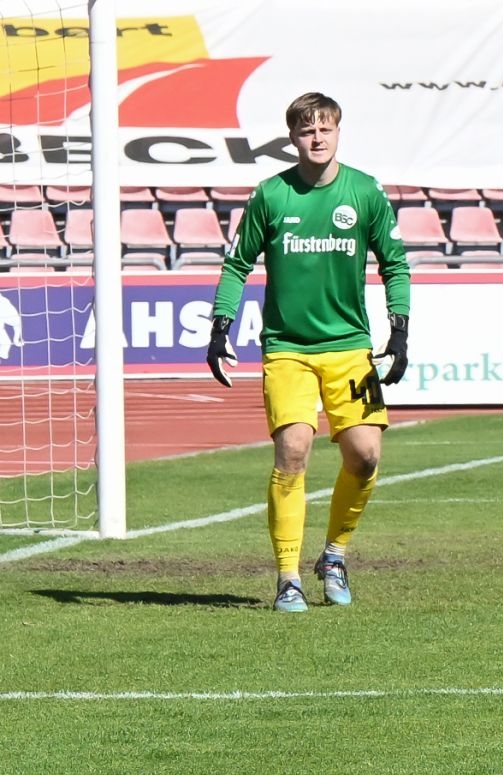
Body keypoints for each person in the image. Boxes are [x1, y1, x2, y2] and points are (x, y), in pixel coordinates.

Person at [209, 91, 411, 612]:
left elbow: (395, 263)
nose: (317, 137)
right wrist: (220, 326)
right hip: (287, 349)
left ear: (338, 131)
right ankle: (287, 577)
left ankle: (335, 554)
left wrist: (400, 330)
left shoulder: (365, 191)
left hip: (350, 348)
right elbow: (237, 265)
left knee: (366, 456)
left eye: (325, 128)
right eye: (306, 130)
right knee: (294, 450)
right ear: (293, 137)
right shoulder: (271, 195)